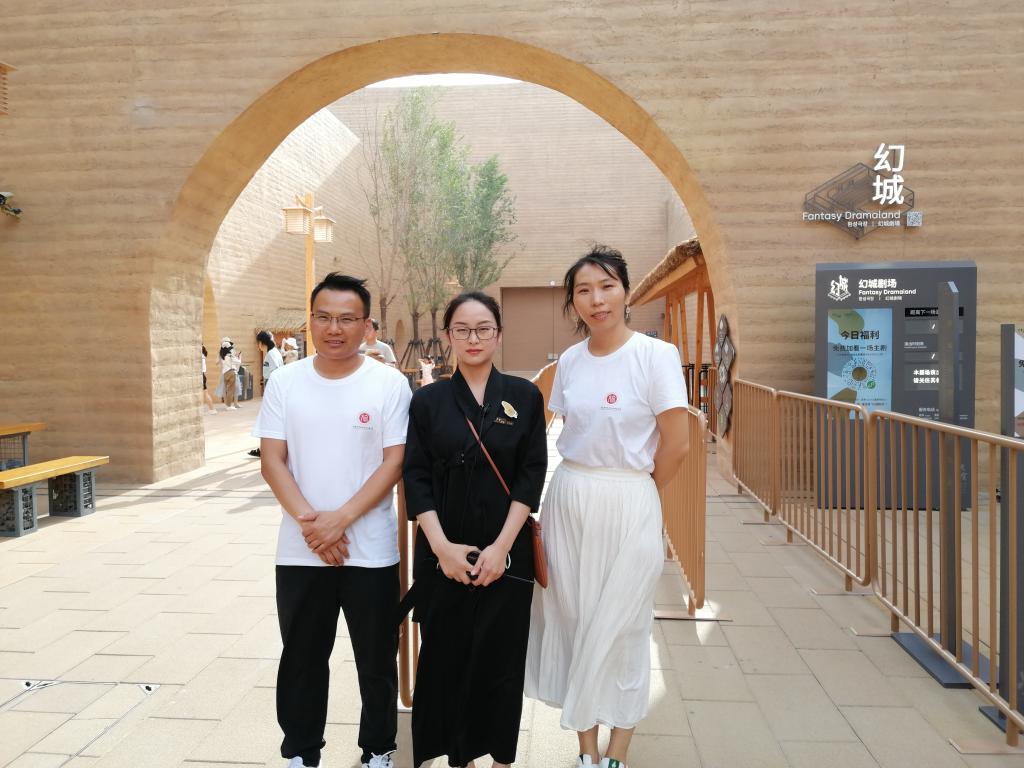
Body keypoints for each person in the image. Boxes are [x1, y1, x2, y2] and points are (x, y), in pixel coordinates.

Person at [524, 246, 690, 768]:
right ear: (573, 302)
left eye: (606, 286)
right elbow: (551, 429)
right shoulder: (569, 363)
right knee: (574, 620)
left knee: (624, 626)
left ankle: (619, 749)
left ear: (625, 292)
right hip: (570, 499)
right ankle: (586, 749)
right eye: (584, 291)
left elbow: (678, 443)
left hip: (631, 498)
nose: (596, 299)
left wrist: (640, 494)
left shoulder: (655, 356)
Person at [253, 274, 411, 768]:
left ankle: (378, 749)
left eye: (346, 319)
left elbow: (394, 462)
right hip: (300, 551)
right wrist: (313, 526)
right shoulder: (286, 381)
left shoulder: (388, 383)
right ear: (311, 321)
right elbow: (272, 461)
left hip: (371, 551)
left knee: (376, 659)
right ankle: (302, 753)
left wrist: (338, 520)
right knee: (301, 657)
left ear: (366, 325)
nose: (333, 328)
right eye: (323, 317)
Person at [402, 291, 548, 768]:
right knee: (444, 659)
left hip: (506, 551)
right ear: (448, 336)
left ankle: (501, 758)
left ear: (498, 334)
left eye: (484, 328)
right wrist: (441, 548)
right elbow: (416, 476)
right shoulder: (428, 401)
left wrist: (502, 548)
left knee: (501, 661)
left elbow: (530, 475)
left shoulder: (524, 396)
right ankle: (454, 756)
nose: (473, 338)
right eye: (462, 329)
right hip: (442, 550)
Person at [248, 331, 285, 458]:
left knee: (267, 421)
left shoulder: (271, 354)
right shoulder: (274, 352)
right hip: (275, 389)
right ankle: (263, 448)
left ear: (261, 342)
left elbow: (275, 373)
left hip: (272, 389)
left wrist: (270, 392)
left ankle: (264, 449)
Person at [219, 337, 242, 410]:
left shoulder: (223, 355)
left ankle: (227, 405)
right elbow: (239, 362)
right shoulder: (230, 355)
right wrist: (240, 357)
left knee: (226, 390)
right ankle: (229, 406)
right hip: (231, 372)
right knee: (231, 390)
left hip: (225, 373)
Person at [202, 346, 217, 414]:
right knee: (205, 393)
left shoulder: (200, 356)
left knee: (205, 394)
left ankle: (212, 409)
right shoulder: (203, 355)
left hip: (201, 376)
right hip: (203, 375)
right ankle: (212, 409)